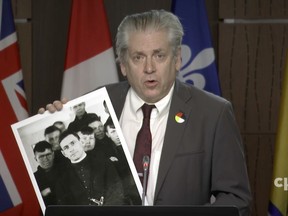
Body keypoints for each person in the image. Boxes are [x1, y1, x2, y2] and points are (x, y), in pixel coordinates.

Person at [39, 10, 252, 215]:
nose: (149, 68)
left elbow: (236, 200)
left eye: (159, 55)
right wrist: (47, 119)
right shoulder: (98, 102)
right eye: (138, 57)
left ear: (177, 59)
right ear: (123, 64)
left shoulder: (213, 113)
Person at [55, 130, 128, 205]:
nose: (71, 149)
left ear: (81, 142)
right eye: (66, 147)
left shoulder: (104, 163)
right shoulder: (62, 180)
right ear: (64, 154)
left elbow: (117, 192)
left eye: (73, 143)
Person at [33, 140, 60, 206]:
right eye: (41, 157)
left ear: (53, 154)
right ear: (36, 159)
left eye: (48, 155)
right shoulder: (33, 179)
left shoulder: (64, 169)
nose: (45, 159)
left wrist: (49, 190)